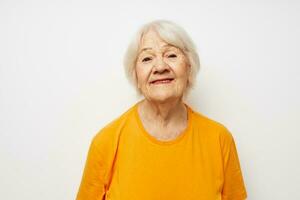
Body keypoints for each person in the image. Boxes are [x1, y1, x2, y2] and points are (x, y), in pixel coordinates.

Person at [76, 20, 247, 200]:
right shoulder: (106, 142)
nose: (160, 67)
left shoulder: (219, 139)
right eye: (147, 58)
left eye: (171, 55)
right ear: (135, 73)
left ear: (189, 67)